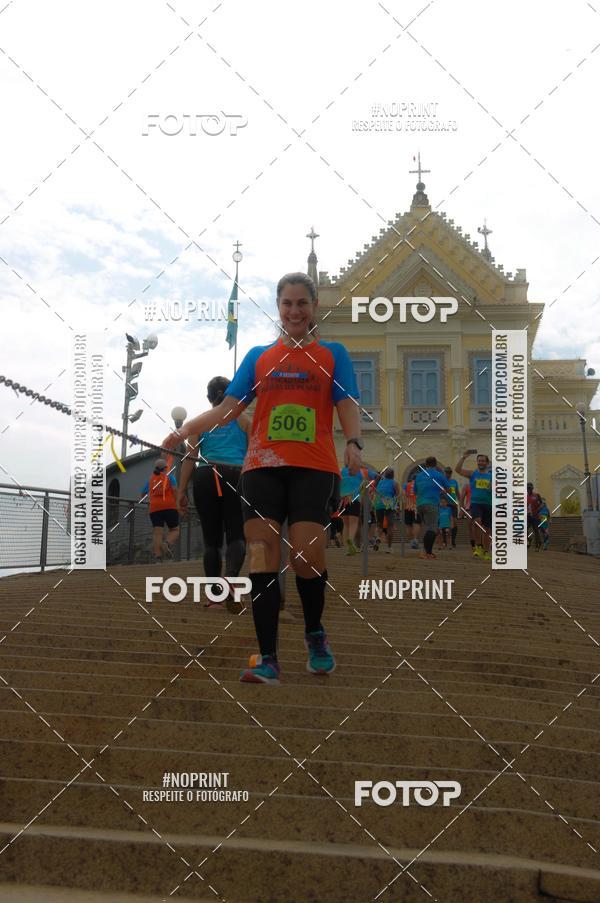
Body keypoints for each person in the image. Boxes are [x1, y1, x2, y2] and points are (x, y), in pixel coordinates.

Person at [163, 272, 362, 685]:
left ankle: (314, 633)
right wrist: (183, 432)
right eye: (287, 304)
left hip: (314, 467)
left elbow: (345, 403)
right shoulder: (258, 357)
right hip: (260, 471)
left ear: (314, 307)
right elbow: (227, 410)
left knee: (307, 556)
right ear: (278, 307)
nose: (294, 311)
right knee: (261, 559)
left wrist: (354, 442)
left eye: (302, 303)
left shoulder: (332, 354)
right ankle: (268, 657)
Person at [176, 376, 250, 610]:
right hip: (235, 475)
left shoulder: (200, 423)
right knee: (237, 534)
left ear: (208, 397)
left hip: (206, 476)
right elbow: (253, 454)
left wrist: (181, 491)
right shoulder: (243, 419)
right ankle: (230, 579)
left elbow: (190, 458)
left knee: (212, 541)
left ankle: (215, 598)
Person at [141, 456, 180, 561]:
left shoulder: (150, 479)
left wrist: (151, 497)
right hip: (169, 506)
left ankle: (158, 557)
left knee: (157, 533)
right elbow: (175, 491)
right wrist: (178, 504)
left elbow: (142, 494)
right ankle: (166, 543)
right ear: (165, 468)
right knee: (175, 530)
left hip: (154, 508)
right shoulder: (170, 477)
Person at [456, 452, 493, 561]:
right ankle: (478, 547)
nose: (481, 462)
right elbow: (458, 470)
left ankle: (486, 551)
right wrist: (463, 457)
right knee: (477, 523)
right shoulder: (472, 474)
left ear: (487, 463)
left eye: (483, 461)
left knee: (487, 530)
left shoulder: (491, 476)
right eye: (479, 460)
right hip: (476, 503)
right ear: (477, 462)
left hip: (488, 504)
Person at [414, 456, 451, 560]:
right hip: (431, 504)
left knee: (430, 528)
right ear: (436, 464)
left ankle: (428, 553)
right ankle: (425, 552)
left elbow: (415, 491)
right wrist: (440, 492)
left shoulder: (419, 475)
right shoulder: (439, 475)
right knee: (432, 529)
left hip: (420, 505)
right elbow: (449, 489)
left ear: (426, 465)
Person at [339, 464, 378, 555]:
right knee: (353, 523)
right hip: (354, 498)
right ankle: (351, 540)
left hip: (342, 499)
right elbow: (378, 476)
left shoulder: (341, 470)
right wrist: (372, 486)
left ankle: (346, 548)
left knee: (346, 524)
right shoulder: (362, 471)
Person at [373, 467, 400, 554]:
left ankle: (377, 537)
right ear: (393, 475)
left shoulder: (380, 482)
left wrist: (379, 476)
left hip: (379, 503)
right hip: (389, 503)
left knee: (379, 524)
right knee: (390, 526)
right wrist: (396, 507)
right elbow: (397, 495)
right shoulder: (394, 483)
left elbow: (374, 488)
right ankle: (389, 547)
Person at [444, 466, 460, 549]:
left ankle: (453, 541)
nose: (448, 474)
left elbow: (457, 493)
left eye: (449, 472)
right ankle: (445, 541)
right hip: (445, 505)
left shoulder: (454, 482)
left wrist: (460, 502)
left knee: (455, 522)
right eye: (446, 472)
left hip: (453, 504)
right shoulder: (442, 482)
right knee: (446, 523)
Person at [402, 477, 420, 549]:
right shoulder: (418, 484)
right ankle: (415, 540)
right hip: (416, 506)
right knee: (417, 523)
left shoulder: (406, 485)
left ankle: (411, 541)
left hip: (407, 507)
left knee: (408, 525)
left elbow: (403, 494)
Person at [527, 482, 543, 550]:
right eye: (527, 488)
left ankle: (537, 545)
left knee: (536, 530)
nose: (528, 490)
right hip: (528, 516)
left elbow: (542, 504)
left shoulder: (537, 495)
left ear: (532, 488)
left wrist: (538, 509)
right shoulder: (525, 497)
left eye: (530, 488)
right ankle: (529, 540)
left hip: (535, 516)